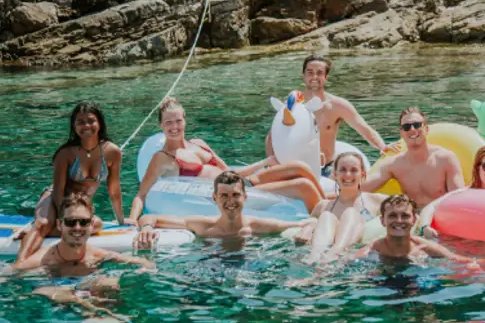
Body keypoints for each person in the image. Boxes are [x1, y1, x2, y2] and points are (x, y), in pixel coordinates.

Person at [0, 193, 152, 318]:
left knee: (109, 283)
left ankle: (96, 317)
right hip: (55, 292)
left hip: (83, 287)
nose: (77, 228)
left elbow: (141, 262)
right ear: (60, 225)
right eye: (71, 222)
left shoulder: (97, 254)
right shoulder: (44, 259)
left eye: (83, 222)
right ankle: (90, 314)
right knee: (59, 293)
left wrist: (145, 264)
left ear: (91, 226)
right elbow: (1, 276)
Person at [127, 98, 326, 222]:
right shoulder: (162, 158)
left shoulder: (199, 144)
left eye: (178, 120)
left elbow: (228, 170)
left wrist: (265, 162)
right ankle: (328, 216)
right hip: (235, 192)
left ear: (185, 120)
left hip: (244, 182)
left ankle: (327, 202)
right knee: (303, 186)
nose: (174, 126)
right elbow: (141, 194)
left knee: (300, 167)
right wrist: (132, 220)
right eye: (168, 122)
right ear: (161, 125)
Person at [17, 102, 124, 264]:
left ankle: (35, 234)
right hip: (56, 199)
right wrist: (63, 217)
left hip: (80, 204)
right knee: (43, 223)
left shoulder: (112, 152)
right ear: (74, 126)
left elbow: (114, 190)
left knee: (96, 225)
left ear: (99, 123)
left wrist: (122, 222)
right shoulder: (65, 154)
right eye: (80, 122)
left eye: (91, 120)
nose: (86, 125)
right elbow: (59, 190)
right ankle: (19, 264)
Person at [265, 55, 387, 176]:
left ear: (326, 77)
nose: (314, 77)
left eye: (319, 73)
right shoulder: (292, 107)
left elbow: (364, 129)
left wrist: (383, 147)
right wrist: (272, 162)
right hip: (297, 168)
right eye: (310, 72)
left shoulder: (337, 106)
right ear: (303, 75)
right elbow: (272, 137)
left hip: (326, 168)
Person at [134, 171, 316, 247]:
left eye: (235, 195)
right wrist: (147, 228)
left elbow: (310, 220)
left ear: (245, 198)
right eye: (224, 196)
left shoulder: (257, 226)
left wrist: (308, 229)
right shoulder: (203, 226)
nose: (231, 201)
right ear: (215, 198)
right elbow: (150, 218)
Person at [363, 107, 464, 211]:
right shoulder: (394, 164)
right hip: (410, 219)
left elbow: (459, 200)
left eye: (417, 125)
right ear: (401, 133)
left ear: (426, 129)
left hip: (439, 216)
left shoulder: (445, 159)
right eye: (406, 127)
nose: (412, 129)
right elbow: (361, 189)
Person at [293, 152, 387, 262]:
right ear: (335, 174)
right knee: (327, 216)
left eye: (354, 170)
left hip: (354, 258)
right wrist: (309, 227)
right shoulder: (323, 206)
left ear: (363, 175)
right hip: (323, 256)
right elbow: (309, 222)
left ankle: (330, 260)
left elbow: (405, 211)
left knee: (351, 213)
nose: (348, 174)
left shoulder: (377, 201)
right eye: (343, 170)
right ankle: (317, 261)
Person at [357, 194, 479, 265]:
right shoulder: (374, 248)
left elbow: (457, 259)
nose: (399, 221)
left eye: (405, 216)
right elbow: (349, 262)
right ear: (383, 221)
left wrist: (476, 265)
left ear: (414, 220)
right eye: (392, 216)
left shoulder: (424, 247)